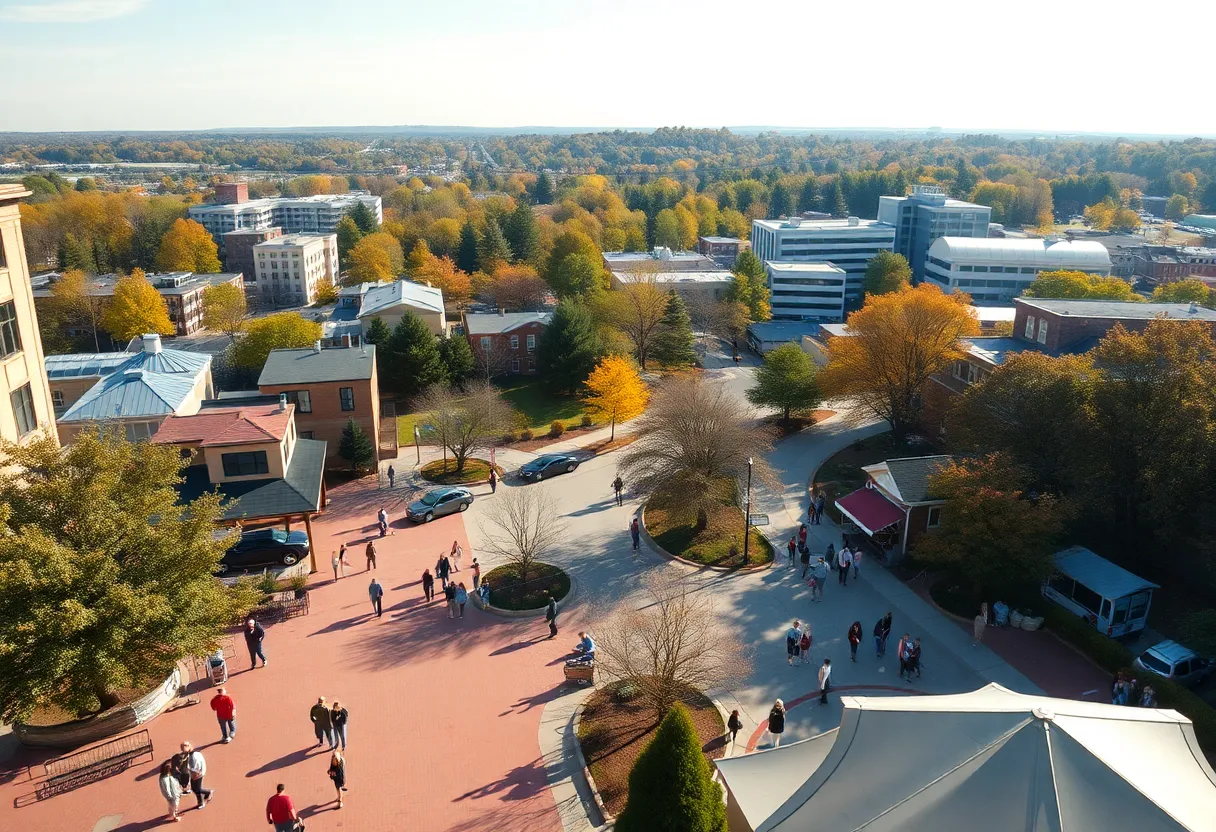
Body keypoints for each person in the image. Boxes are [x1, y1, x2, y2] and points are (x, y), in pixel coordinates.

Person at [181, 741, 213, 809]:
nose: (182, 752)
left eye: (183, 750)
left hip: (198, 774)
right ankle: (206, 794)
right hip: (198, 773)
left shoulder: (193, 757)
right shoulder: (195, 753)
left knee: (197, 789)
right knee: (194, 788)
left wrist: (194, 777)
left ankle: (202, 800)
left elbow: (196, 770)